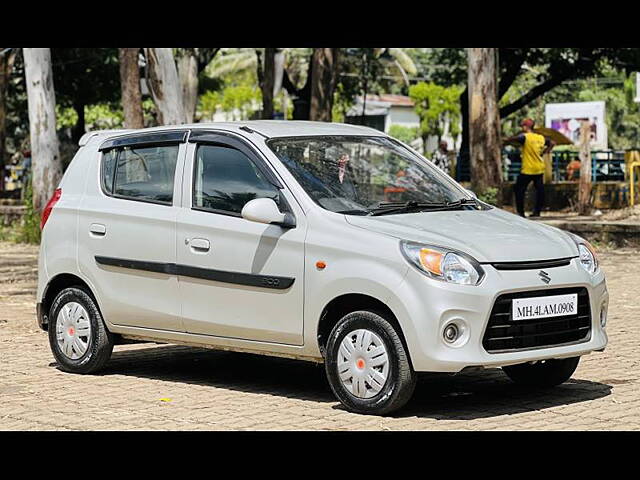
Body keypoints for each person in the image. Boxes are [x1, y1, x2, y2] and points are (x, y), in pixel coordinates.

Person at [503, 118, 555, 217]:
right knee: (540, 190)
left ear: (526, 127)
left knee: (519, 189)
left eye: (523, 126)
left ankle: (521, 212)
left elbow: (515, 139)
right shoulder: (540, 137)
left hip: (528, 169)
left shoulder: (525, 137)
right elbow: (552, 143)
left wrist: (506, 139)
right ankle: (537, 212)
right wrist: (546, 151)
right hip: (539, 168)